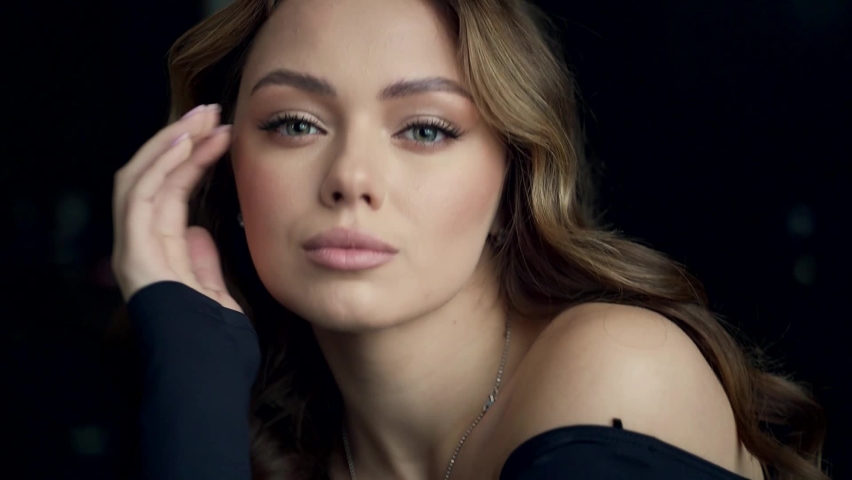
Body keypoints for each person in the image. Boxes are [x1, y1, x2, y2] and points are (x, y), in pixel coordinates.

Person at [109, 0, 829, 478]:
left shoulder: (616, 372)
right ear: (224, 166)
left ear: (513, 177)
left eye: (426, 129)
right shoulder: (284, 445)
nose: (351, 178)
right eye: (296, 123)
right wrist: (193, 365)